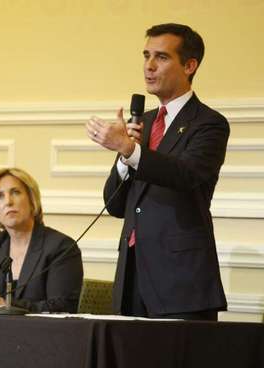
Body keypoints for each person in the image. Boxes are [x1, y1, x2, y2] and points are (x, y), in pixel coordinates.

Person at [86, 23, 228, 320]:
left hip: (181, 281)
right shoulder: (144, 122)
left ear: (190, 65)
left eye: (161, 57)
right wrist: (124, 158)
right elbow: (115, 206)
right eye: (146, 55)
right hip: (133, 273)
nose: (149, 66)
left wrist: (129, 150)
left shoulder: (209, 124)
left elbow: (185, 174)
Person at [0, 168, 83, 313]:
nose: (8, 202)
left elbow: (62, 307)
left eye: (15, 192)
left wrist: (3, 304)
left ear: (32, 200)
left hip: (42, 333)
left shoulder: (60, 247)